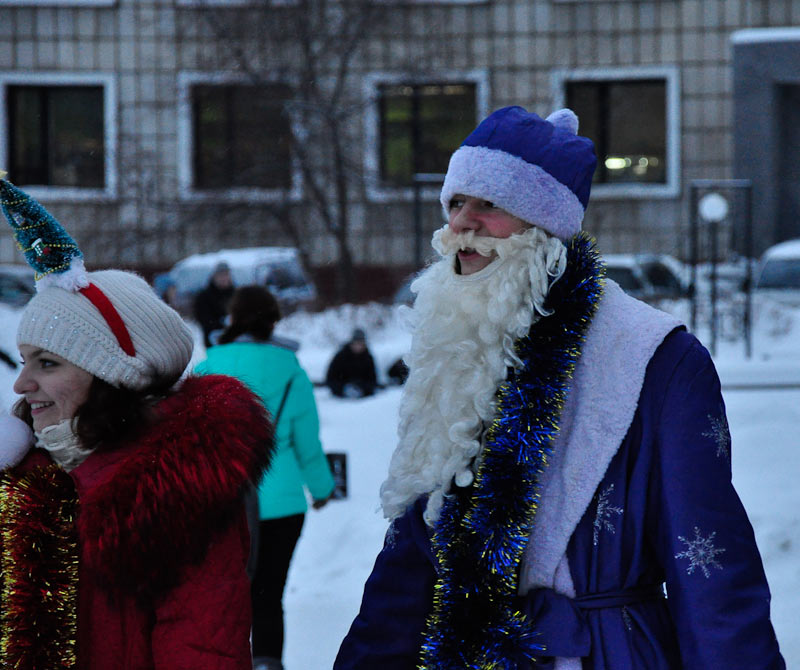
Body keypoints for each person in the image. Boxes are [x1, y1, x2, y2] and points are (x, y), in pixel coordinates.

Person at [334, 107, 785, 669]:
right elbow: (411, 563)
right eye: (455, 203)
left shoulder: (656, 358)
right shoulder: (455, 350)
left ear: (544, 222)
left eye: (489, 204)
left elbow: (711, 569)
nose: (462, 224)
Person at [0, 178, 274, 670]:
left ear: (110, 376)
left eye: (46, 363)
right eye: (23, 362)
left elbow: (202, 650)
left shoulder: (175, 495)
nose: (21, 385)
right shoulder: (28, 479)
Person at [195, 284, 336, 670]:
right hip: (283, 501)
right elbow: (307, 443)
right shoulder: (292, 372)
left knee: (227, 590)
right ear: (273, 322)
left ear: (233, 319)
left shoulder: (209, 368)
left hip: (223, 503)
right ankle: (267, 663)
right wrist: (322, 489)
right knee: (269, 593)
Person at [325, 328, 378, 398]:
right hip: (340, 399)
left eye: (361, 343)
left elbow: (372, 380)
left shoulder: (368, 358)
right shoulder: (341, 356)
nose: (358, 346)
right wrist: (343, 389)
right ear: (351, 343)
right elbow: (331, 379)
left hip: (364, 399)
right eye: (356, 343)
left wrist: (362, 389)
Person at [194, 260, 234, 348]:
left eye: (226, 274)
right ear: (214, 276)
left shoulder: (236, 294)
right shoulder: (204, 296)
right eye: (221, 275)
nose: (224, 278)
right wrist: (223, 323)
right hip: (213, 343)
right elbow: (204, 319)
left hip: (235, 343)